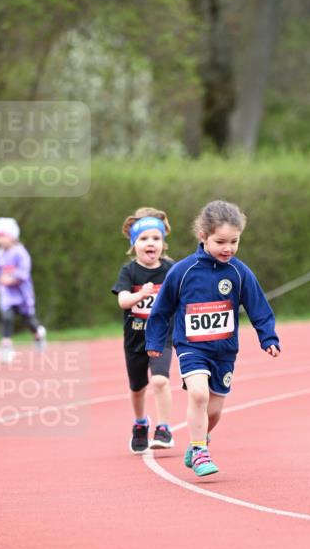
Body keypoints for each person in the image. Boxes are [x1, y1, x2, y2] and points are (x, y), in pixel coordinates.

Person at [146, 200, 280, 477]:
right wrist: (155, 342)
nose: (228, 248)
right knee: (198, 394)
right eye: (220, 241)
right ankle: (199, 451)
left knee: (215, 411)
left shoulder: (239, 273)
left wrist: (268, 337)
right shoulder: (182, 272)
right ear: (203, 236)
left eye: (234, 241)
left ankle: (199, 440)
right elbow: (161, 310)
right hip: (192, 347)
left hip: (224, 351)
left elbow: (258, 305)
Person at [111, 208, 175, 454]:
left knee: (160, 380)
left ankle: (164, 427)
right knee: (138, 388)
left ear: (163, 243)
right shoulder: (129, 272)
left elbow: (185, 291)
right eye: (144, 239)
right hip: (135, 339)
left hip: (161, 337)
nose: (151, 243)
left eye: (156, 238)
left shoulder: (171, 269)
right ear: (133, 243)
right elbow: (123, 300)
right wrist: (141, 294)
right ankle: (140, 424)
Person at [0, 217, 46, 363]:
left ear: (12, 236)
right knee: (7, 317)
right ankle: (6, 346)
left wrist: (12, 279)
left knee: (28, 320)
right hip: (8, 294)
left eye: (2, 236)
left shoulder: (20, 252)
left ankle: (38, 334)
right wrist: (0, 282)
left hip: (22, 293)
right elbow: (0, 272)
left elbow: (24, 273)